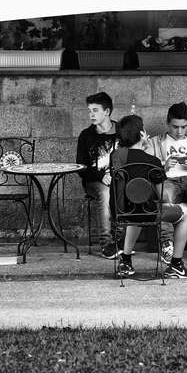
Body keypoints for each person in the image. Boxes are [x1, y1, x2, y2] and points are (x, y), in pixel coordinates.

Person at [110, 114, 187, 279]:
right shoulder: (152, 161)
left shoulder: (115, 156)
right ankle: (176, 265)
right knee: (185, 214)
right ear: (142, 134)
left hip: (120, 211)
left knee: (136, 209)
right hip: (146, 213)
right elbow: (163, 196)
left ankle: (125, 262)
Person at [146, 102, 187, 263]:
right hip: (168, 180)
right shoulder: (155, 142)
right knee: (164, 193)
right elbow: (146, 171)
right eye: (175, 127)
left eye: (184, 127)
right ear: (167, 123)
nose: (180, 131)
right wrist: (163, 166)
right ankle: (167, 244)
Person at [75, 91, 120, 259]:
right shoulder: (86, 136)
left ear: (107, 111)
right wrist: (100, 176)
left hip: (118, 179)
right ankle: (106, 243)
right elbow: (81, 168)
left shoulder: (121, 132)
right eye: (89, 111)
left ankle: (121, 240)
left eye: (95, 110)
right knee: (105, 192)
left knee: (127, 189)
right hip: (94, 181)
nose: (91, 115)